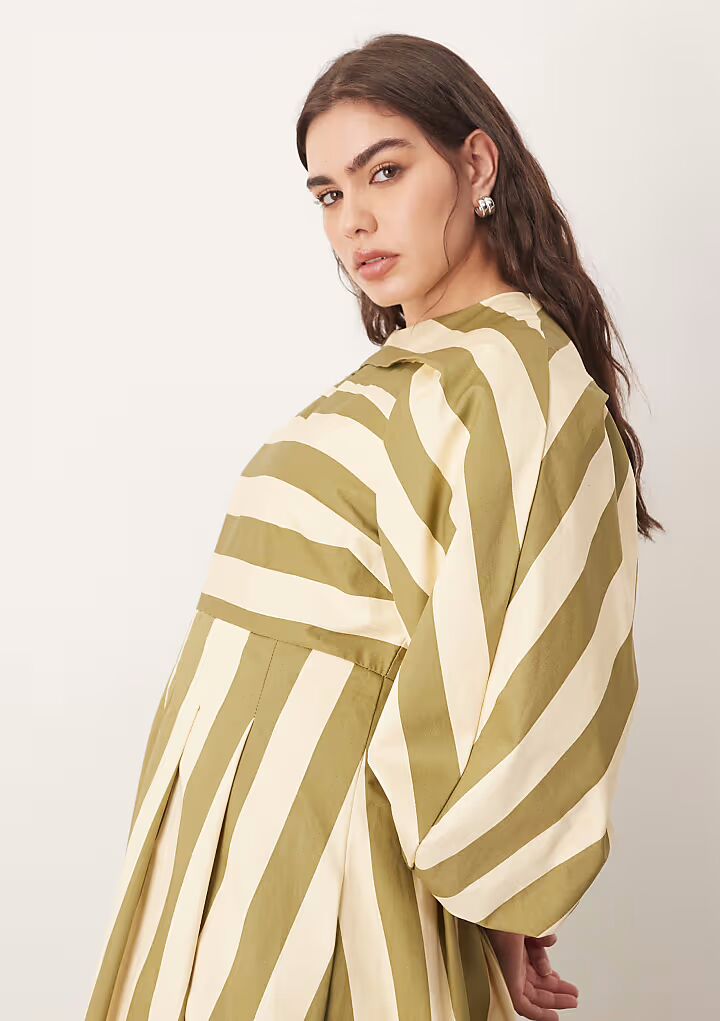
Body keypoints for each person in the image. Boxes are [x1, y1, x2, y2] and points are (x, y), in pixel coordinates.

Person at [85, 31, 661, 1021]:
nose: (352, 220)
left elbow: (528, 655)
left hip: (334, 861)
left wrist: (499, 902)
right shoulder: (428, 370)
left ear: (474, 165)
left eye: (383, 173)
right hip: (232, 849)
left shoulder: (519, 380)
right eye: (327, 194)